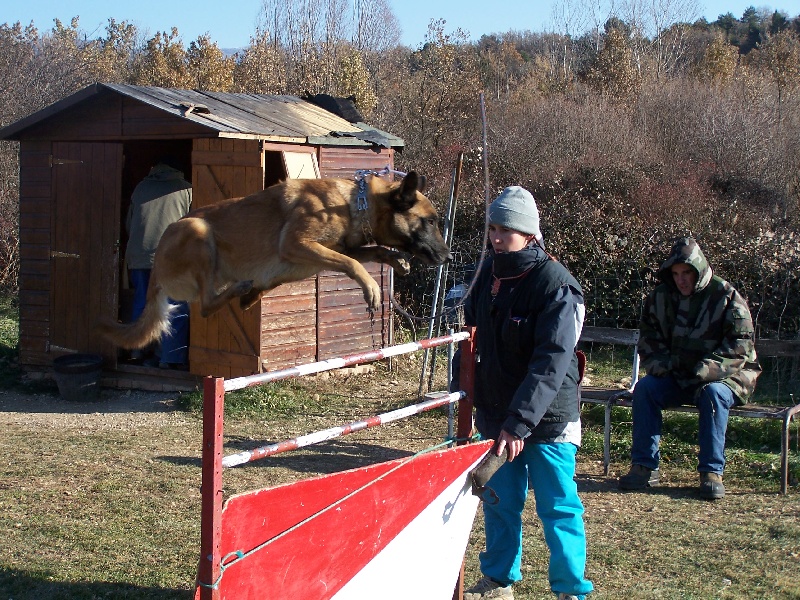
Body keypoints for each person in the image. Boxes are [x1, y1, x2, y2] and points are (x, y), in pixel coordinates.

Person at [458, 186, 593, 600]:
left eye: (508, 230)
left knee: (558, 505)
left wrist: (520, 424)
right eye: (493, 228)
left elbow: (551, 361)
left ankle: (571, 590)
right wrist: (467, 397)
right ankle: (499, 580)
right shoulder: (487, 277)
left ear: (530, 233)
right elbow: (472, 341)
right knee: (500, 501)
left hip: (549, 416)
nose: (497, 238)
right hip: (499, 414)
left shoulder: (556, 285)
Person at [618, 237, 761, 500]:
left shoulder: (726, 296)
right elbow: (649, 340)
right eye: (675, 274)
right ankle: (644, 466)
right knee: (646, 389)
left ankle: (711, 472)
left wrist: (706, 369)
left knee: (713, 394)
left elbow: (740, 347)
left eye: (686, 273)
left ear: (698, 271)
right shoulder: (659, 298)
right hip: (678, 374)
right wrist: (662, 366)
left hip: (728, 376)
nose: (681, 279)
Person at [125, 158, 193, 369]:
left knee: (144, 303)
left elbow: (130, 223)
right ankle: (170, 358)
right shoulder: (186, 190)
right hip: (170, 259)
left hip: (139, 257)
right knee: (174, 306)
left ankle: (137, 351)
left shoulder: (141, 188)